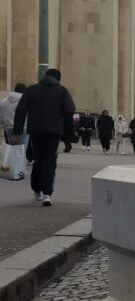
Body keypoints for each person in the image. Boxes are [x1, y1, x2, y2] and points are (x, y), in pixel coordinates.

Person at [12, 68, 76, 207]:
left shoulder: (32, 90)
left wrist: (17, 131)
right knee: (50, 160)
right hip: (54, 132)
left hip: (35, 130)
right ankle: (47, 193)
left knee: (38, 159)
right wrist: (67, 131)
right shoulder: (62, 91)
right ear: (58, 78)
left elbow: (21, 110)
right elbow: (70, 110)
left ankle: (36, 190)